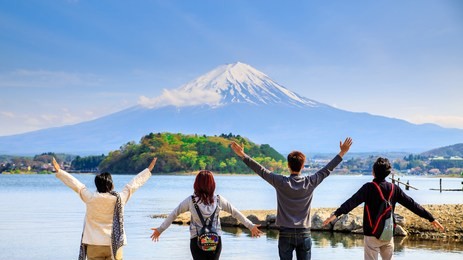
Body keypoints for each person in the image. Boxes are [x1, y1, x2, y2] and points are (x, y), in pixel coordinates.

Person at [230, 138, 353, 260]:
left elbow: (261, 170)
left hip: (285, 233)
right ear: (303, 166)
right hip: (304, 233)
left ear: (288, 165)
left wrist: (243, 155)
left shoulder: (280, 182)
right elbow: (327, 169)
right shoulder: (310, 182)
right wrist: (342, 153)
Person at [322, 157, 445, 260]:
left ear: (373, 172)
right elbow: (412, 205)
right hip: (387, 233)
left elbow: (351, 203)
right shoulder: (394, 189)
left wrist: (335, 215)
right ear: (388, 173)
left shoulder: (368, 188)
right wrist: (431, 218)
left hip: (371, 234)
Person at [52, 157, 157, 260]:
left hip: (94, 243)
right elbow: (132, 186)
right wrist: (147, 171)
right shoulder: (119, 199)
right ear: (111, 184)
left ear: (97, 185)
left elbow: (77, 186)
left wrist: (60, 172)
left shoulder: (90, 198)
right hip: (114, 244)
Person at [150, 170, 263, 260]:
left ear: (196, 184)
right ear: (212, 184)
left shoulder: (191, 201)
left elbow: (174, 214)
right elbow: (236, 213)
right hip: (215, 240)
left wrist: (160, 229)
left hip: (196, 240)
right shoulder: (219, 200)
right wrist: (250, 226)